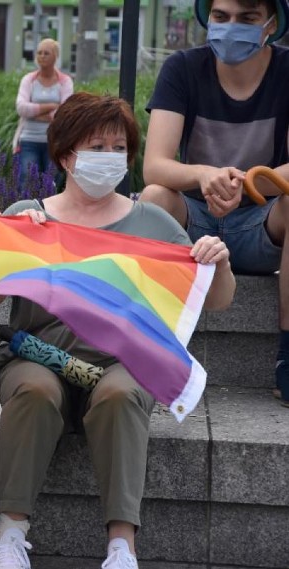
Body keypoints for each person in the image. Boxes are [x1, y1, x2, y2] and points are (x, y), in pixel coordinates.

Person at [0, 93, 236, 569]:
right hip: (36, 358)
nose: (110, 157)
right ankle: (9, 538)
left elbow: (215, 298)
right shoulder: (29, 214)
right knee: (32, 389)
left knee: (121, 395)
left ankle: (121, 548)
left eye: (119, 147)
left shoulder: (151, 222)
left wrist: (219, 260)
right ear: (67, 154)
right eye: (97, 145)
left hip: (118, 364)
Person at [140, 0, 289, 405]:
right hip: (195, 223)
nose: (230, 27)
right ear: (207, 17)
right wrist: (204, 175)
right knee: (153, 200)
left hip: (261, 221)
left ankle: (287, 356)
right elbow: (155, 166)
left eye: (247, 18)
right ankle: (151, 347)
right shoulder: (183, 69)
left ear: (272, 24)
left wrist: (250, 181)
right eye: (221, 16)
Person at [12, 38, 73, 188]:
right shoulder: (28, 80)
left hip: (54, 142)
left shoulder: (65, 81)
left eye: (46, 53)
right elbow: (21, 108)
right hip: (29, 140)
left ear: (55, 56)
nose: (42, 56)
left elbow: (65, 112)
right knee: (26, 181)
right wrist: (52, 105)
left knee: (51, 183)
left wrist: (33, 113)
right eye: (39, 53)